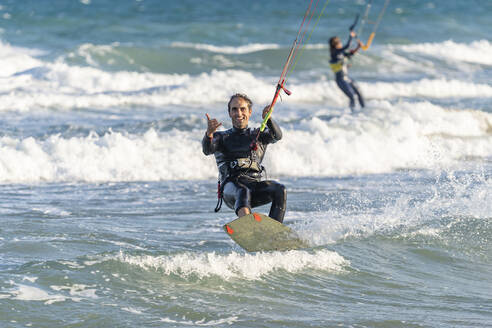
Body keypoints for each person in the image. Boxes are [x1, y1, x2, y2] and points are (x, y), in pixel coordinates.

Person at [202, 93, 286, 223]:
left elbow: (277, 136)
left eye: (243, 109)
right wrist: (209, 134)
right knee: (242, 190)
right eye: (234, 109)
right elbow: (207, 150)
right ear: (229, 113)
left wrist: (268, 119)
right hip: (231, 190)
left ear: (250, 112)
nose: (239, 113)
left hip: (254, 188)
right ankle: (250, 226)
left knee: (280, 189)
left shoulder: (258, 136)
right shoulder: (220, 137)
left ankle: (275, 230)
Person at [329, 30, 365, 110]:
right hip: (340, 80)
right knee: (352, 97)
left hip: (347, 78)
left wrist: (358, 47)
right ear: (336, 44)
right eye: (340, 42)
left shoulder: (340, 53)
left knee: (359, 93)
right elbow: (347, 46)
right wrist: (351, 36)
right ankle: (351, 114)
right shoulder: (334, 53)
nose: (341, 44)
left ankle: (364, 110)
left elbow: (350, 54)